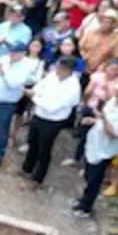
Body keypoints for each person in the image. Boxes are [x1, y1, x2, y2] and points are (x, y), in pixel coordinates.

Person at [73, 77, 118, 216]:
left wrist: (103, 118)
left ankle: (86, 207)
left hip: (106, 149)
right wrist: (93, 120)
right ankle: (84, 199)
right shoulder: (112, 103)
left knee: (94, 180)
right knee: (88, 173)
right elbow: (102, 119)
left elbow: (114, 133)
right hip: (95, 143)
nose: (117, 95)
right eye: (117, 91)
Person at [22, 56, 83, 188]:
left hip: (53, 121)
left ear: (69, 70)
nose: (58, 70)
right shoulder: (52, 76)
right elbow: (40, 86)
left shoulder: (73, 87)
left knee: (44, 149)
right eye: (58, 66)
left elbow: (53, 107)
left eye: (62, 68)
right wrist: (35, 92)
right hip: (39, 115)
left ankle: (37, 179)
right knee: (32, 142)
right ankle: (27, 168)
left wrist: (34, 98)